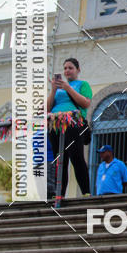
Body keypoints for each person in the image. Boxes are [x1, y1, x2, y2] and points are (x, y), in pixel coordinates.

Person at [47, 58, 92, 198]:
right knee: (59, 159)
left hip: (73, 122)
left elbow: (85, 103)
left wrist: (68, 88)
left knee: (76, 157)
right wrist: (53, 90)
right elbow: (46, 108)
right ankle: (59, 193)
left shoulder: (82, 84)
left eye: (70, 68)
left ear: (78, 70)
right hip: (56, 124)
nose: (67, 71)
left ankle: (85, 191)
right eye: (65, 68)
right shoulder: (57, 89)